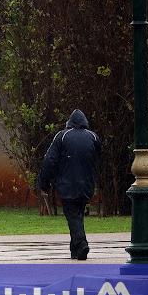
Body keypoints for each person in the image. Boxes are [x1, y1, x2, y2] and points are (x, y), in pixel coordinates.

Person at [38, 109, 101, 260]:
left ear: (69, 123)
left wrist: (44, 184)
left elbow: (49, 161)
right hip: (86, 184)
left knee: (72, 215)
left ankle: (81, 244)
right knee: (78, 214)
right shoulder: (93, 137)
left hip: (67, 184)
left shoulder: (62, 136)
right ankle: (75, 250)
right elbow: (98, 159)